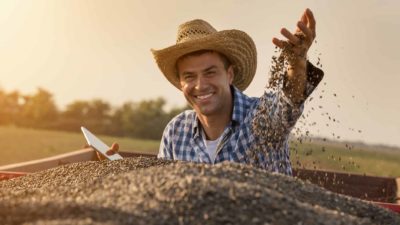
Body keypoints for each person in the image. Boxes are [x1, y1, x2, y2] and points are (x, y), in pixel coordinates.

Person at [105, 8, 323, 175]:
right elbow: (163, 193)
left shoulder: (262, 117)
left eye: (210, 72)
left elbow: (288, 104)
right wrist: (118, 170)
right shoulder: (175, 133)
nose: (200, 85)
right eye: (189, 76)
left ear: (229, 74)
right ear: (181, 83)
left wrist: (296, 64)